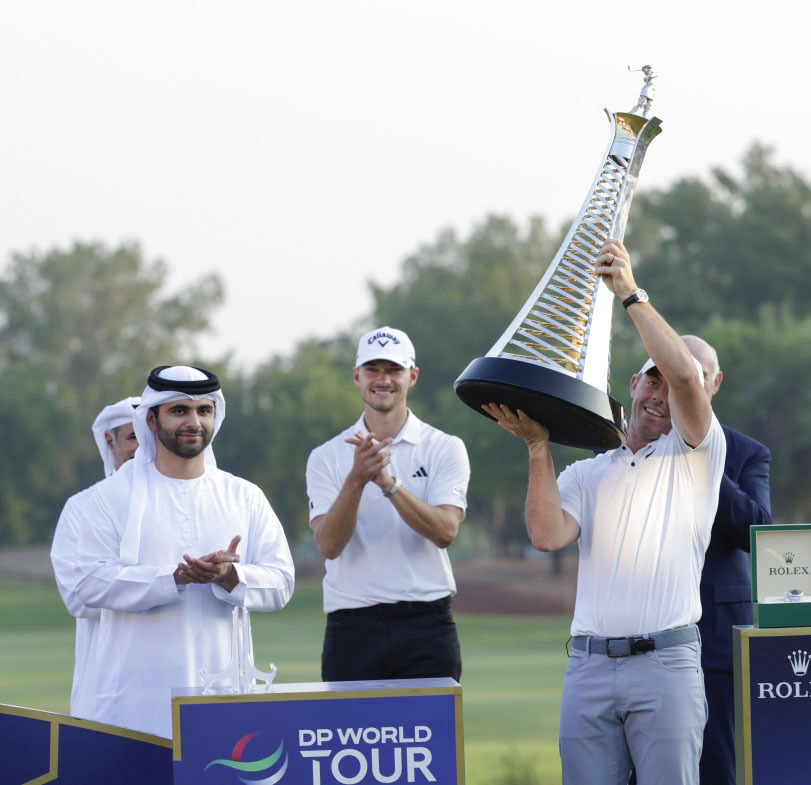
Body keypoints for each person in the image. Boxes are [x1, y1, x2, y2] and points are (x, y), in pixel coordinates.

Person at [483, 239, 726, 785]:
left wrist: (630, 293)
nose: (662, 392)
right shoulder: (589, 473)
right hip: (589, 666)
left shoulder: (698, 453)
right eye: (652, 380)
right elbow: (546, 535)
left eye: (671, 380)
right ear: (634, 385)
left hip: (665, 664)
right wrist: (538, 449)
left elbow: (687, 378)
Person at [74, 366, 295, 738]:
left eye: (203, 411)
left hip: (221, 701)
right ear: (151, 418)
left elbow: (282, 582)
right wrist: (172, 578)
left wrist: (230, 577)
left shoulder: (244, 496)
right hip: (134, 705)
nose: (193, 421)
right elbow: (88, 583)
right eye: (179, 411)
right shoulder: (110, 497)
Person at [306, 326, 470, 682]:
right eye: (373, 370)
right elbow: (329, 546)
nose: (383, 380)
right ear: (357, 376)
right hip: (352, 626)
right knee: (350, 737)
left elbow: (445, 532)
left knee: (433, 737)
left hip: (426, 622)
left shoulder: (444, 447)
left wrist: (387, 483)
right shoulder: (326, 457)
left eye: (393, 370)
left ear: (412, 376)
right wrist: (356, 479)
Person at [680, 335, 772, 785]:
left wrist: (704, 455)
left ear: (715, 383)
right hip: (640, 634)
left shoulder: (746, 453)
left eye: (696, 375)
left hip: (716, 637)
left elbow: (758, 530)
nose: (686, 383)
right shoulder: (630, 443)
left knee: (716, 764)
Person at [49, 396, 140, 720]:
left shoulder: (181, 506)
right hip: (105, 681)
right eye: (132, 437)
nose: (142, 449)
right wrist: (162, 583)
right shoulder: (81, 508)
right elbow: (79, 597)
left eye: (150, 437)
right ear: (109, 441)